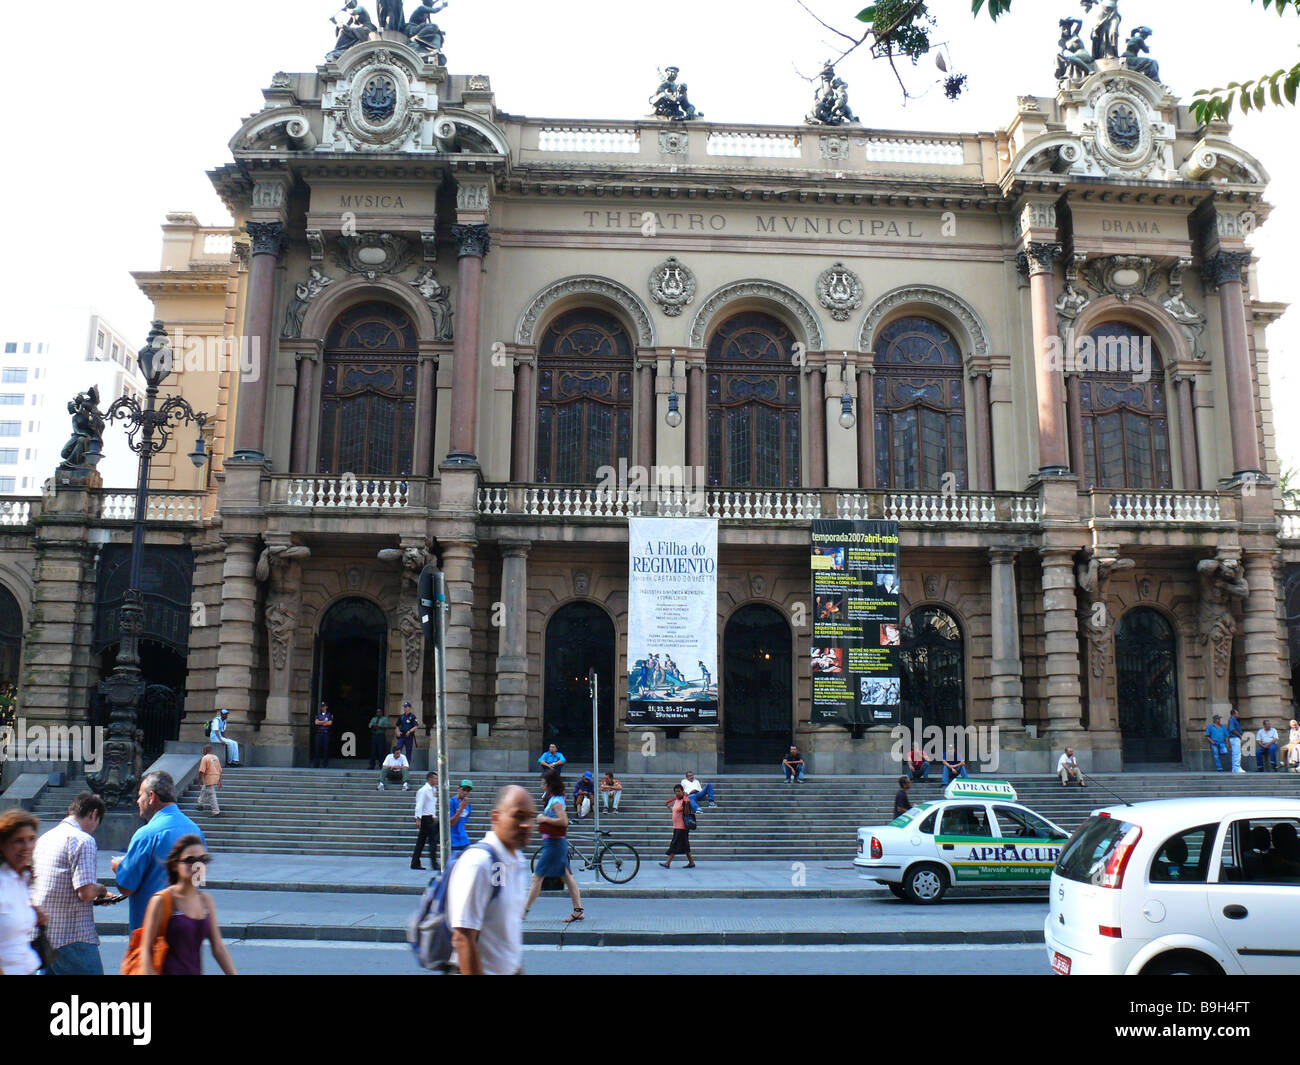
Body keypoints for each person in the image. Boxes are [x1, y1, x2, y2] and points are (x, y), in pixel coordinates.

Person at [447, 785, 535, 975]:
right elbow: (463, 937)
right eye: (518, 816)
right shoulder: (479, 863)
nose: (526, 824)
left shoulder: (517, 861)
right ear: (495, 817)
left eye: (531, 816)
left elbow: (506, 938)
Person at [112, 771, 206, 933]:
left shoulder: (146, 834)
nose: (137, 801)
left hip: (151, 933)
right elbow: (198, 880)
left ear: (151, 797)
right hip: (186, 929)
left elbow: (126, 887)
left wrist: (119, 867)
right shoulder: (196, 831)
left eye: (140, 795)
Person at [31, 792, 108, 975]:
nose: (93, 829)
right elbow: (86, 892)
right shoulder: (83, 840)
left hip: (44, 937)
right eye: (97, 823)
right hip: (72, 937)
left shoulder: (45, 839)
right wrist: (101, 890)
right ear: (93, 814)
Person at [139, 835, 237, 976]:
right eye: (190, 860)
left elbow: (218, 948)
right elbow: (145, 949)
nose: (198, 866)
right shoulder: (162, 900)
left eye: (203, 860)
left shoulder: (205, 900)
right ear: (175, 865)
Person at [523, 771, 585, 924]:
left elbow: (563, 822)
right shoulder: (554, 799)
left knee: (537, 877)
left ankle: (523, 911)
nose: (541, 785)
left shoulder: (556, 801)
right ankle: (578, 910)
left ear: (550, 784)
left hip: (554, 845)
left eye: (544, 783)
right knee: (567, 877)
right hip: (556, 843)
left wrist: (543, 818)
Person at [0, 809, 44, 976]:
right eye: (19, 841)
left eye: (31, 839)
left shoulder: (22, 878)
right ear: (3, 844)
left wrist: (32, 913)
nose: (27, 847)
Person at [659, 784, 695, 868]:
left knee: (674, 844)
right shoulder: (677, 800)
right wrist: (669, 807)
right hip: (677, 827)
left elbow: (686, 813)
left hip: (682, 827)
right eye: (676, 791)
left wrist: (686, 800)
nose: (677, 793)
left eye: (679, 791)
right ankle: (691, 862)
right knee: (685, 846)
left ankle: (668, 863)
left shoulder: (685, 801)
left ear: (683, 791)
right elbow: (675, 811)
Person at [412, 772, 439, 870]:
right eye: (434, 779)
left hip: (430, 817)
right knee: (432, 840)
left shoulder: (433, 790)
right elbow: (419, 805)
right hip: (425, 818)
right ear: (429, 779)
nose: (436, 781)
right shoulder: (423, 791)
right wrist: (418, 819)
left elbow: (432, 804)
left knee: (421, 841)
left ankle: (415, 862)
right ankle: (434, 863)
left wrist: (434, 815)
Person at [449, 781, 474, 860]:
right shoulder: (451, 802)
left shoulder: (468, 805)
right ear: (459, 789)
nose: (465, 792)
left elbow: (464, 822)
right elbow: (450, 823)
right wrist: (460, 809)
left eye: (468, 791)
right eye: (463, 789)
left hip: (464, 840)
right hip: (453, 840)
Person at [197, 745, 222, 816]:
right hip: (216, 776)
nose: (203, 751)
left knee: (211, 795)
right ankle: (200, 804)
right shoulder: (215, 757)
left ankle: (216, 811)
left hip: (209, 778)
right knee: (204, 789)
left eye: (203, 750)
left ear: (205, 750)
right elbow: (220, 770)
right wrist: (220, 780)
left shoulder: (205, 758)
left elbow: (201, 771)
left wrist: (199, 782)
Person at [311, 702, 333, 769]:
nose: (322, 708)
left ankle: (325, 765)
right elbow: (316, 722)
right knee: (317, 750)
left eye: (324, 706)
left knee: (325, 750)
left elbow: (330, 723)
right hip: (319, 734)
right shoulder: (318, 715)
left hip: (326, 734)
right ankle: (316, 765)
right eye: (321, 707)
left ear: (326, 707)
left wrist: (321, 722)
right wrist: (324, 721)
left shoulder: (329, 715)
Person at [1228, 709, 1245, 774]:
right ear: (1234, 714)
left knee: (1235, 754)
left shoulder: (1232, 720)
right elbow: (1232, 729)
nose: (1238, 715)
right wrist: (1239, 735)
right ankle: (1237, 768)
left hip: (1234, 738)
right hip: (1235, 738)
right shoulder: (1232, 719)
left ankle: (1235, 768)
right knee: (1237, 754)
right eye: (1237, 713)